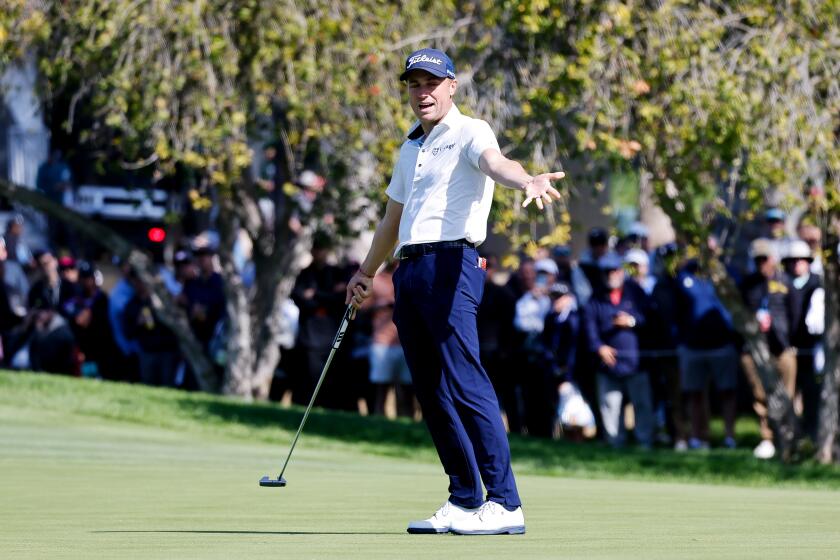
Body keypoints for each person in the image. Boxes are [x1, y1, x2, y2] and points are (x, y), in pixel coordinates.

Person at [344, 47, 565, 535]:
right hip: (410, 270)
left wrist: (526, 178)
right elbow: (391, 220)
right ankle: (464, 498)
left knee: (464, 379)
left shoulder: (471, 130)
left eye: (430, 84)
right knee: (431, 389)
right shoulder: (410, 147)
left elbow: (495, 163)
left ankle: (504, 502)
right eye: (414, 85)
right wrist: (366, 271)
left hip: (453, 263)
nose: (422, 93)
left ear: (451, 86)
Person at [582, 253, 654, 449]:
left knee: (642, 405)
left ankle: (644, 443)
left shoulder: (635, 292)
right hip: (608, 365)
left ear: (621, 272)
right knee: (610, 407)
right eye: (607, 272)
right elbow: (589, 328)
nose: (611, 275)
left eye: (614, 270)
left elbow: (650, 318)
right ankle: (615, 444)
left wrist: (631, 321)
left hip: (636, 361)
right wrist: (599, 347)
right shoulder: (595, 297)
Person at [740, 238, 796, 460]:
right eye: (758, 260)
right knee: (760, 395)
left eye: (765, 258)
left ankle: (789, 439)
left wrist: (788, 336)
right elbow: (740, 314)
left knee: (787, 395)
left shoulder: (785, 281)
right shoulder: (748, 285)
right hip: (756, 348)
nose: (762, 263)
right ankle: (767, 438)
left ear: (773, 259)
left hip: (782, 347)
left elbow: (795, 313)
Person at [675, 260, 739, 450]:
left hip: (722, 344)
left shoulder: (724, 271)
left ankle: (730, 437)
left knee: (727, 392)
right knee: (694, 393)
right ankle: (697, 437)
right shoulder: (684, 275)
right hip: (693, 346)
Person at [781, 239, 823, 439]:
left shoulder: (818, 282)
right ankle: (793, 433)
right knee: (788, 393)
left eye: (802, 259)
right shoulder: (782, 283)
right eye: (793, 260)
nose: (797, 263)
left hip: (813, 348)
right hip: (788, 347)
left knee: (812, 390)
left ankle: (811, 432)